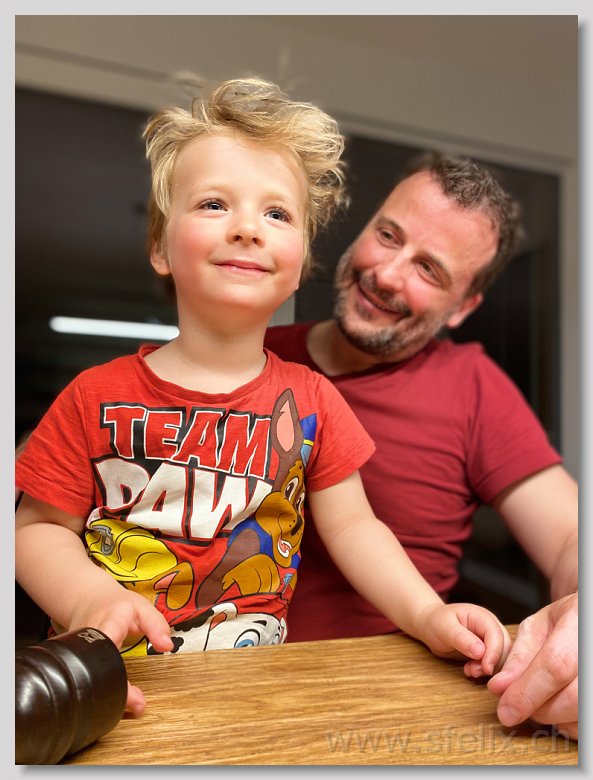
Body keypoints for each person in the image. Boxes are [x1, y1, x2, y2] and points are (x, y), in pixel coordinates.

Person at [15, 79, 511, 719]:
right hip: (110, 689)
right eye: (214, 204)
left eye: (277, 214)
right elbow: (34, 529)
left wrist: (427, 614)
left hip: (255, 696)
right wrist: (87, 599)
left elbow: (356, 528)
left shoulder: (313, 401)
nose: (248, 228)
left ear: (300, 263)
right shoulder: (93, 395)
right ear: (161, 247)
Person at [264, 152, 578, 739]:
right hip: (209, 678)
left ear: (464, 307)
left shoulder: (474, 387)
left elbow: (569, 534)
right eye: (388, 235)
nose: (387, 275)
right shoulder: (248, 350)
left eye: (429, 269)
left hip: (380, 709)